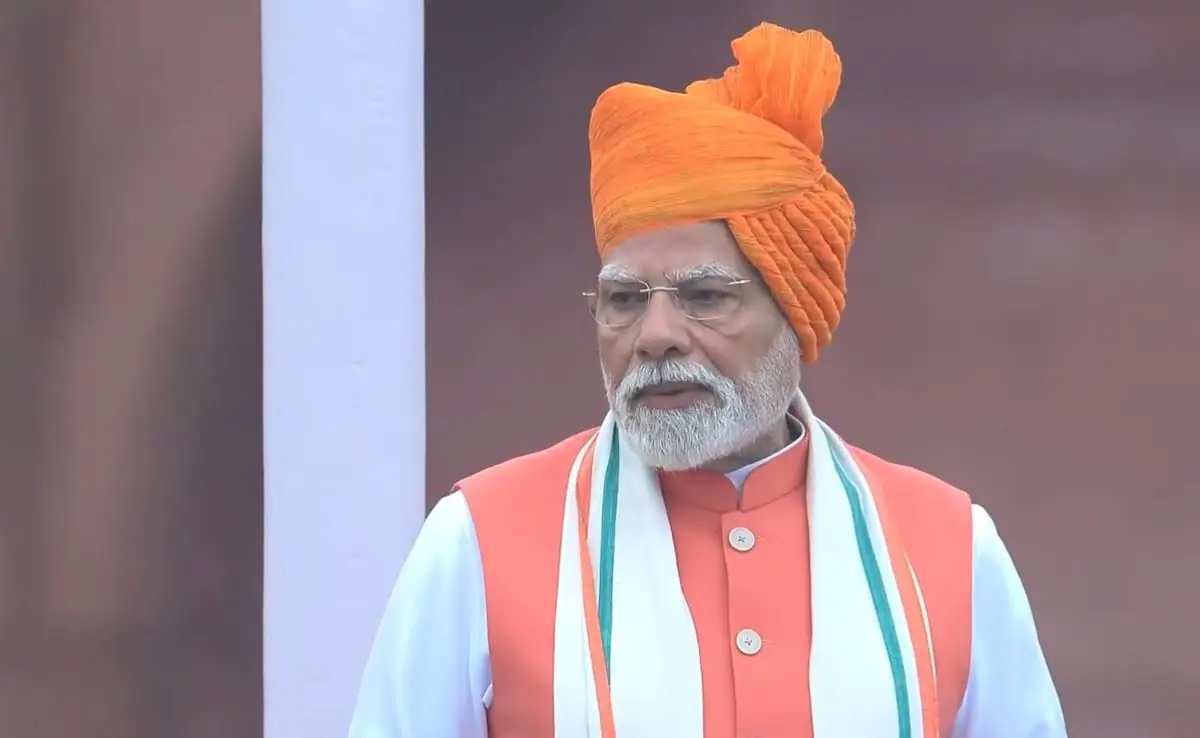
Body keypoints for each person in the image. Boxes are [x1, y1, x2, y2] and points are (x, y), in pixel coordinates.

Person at [348, 22, 1067, 738]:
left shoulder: (946, 547)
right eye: (625, 299)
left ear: (793, 310)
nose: (656, 336)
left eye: (705, 296)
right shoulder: (478, 539)